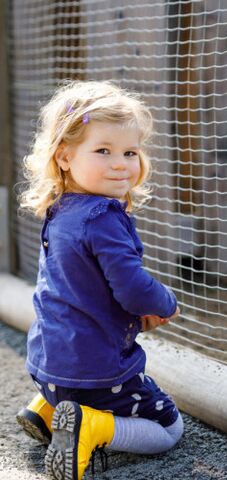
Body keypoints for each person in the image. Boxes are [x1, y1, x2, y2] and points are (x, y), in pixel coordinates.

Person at [16, 80, 183, 480]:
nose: (120, 163)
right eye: (103, 151)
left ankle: (46, 410)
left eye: (130, 152)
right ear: (65, 157)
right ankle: (94, 426)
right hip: (95, 374)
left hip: (47, 365)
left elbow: (85, 287)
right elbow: (132, 288)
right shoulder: (104, 217)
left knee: (71, 379)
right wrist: (164, 302)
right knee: (168, 429)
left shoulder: (62, 208)